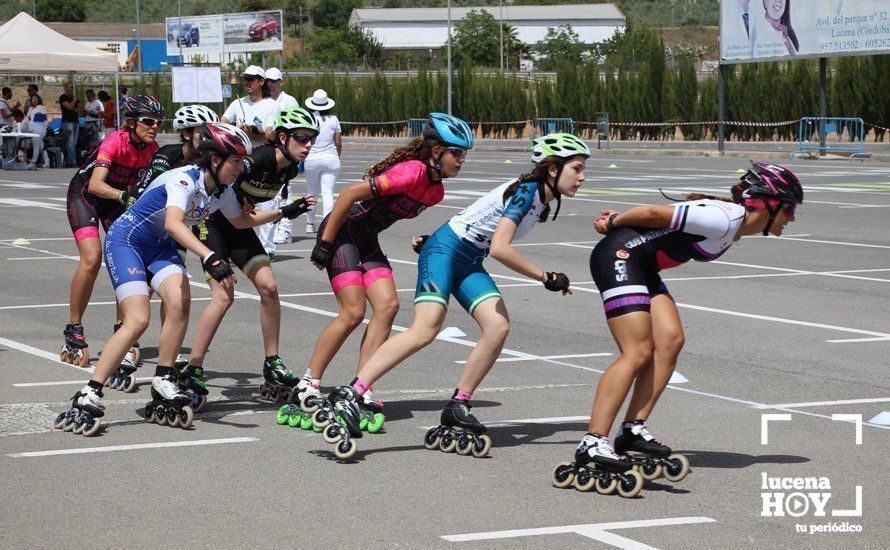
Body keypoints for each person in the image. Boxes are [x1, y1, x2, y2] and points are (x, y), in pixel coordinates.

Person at [317, 133, 585, 458]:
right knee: (424, 330)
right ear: (554, 169)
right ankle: (352, 393)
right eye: (577, 169)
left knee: (498, 327)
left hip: (467, 258)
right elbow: (500, 247)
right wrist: (546, 277)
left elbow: (480, 218)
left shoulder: (539, 196)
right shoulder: (527, 192)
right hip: (445, 253)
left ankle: (459, 403)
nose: (582, 177)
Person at [553, 161, 804, 495]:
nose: (793, 217)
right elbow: (657, 215)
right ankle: (593, 441)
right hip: (621, 257)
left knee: (671, 340)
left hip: (642, 267)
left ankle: (632, 429)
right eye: (789, 208)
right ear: (768, 203)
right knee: (637, 350)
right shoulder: (724, 217)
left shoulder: (734, 225)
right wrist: (614, 221)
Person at [52, 123, 280, 436]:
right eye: (237, 161)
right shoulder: (185, 178)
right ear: (214, 159)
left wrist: (282, 212)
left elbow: (241, 220)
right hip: (127, 241)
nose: (242, 168)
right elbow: (174, 224)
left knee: (180, 300)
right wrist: (210, 256)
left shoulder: (222, 190)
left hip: (159, 247)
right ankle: (90, 391)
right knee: (138, 320)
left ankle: (163, 376)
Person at [292, 112, 474, 436]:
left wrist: (428, 240)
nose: (461, 160)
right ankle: (309, 383)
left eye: (464, 154)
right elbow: (347, 196)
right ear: (436, 152)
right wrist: (325, 243)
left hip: (367, 240)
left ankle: (362, 388)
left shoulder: (436, 192)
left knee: (388, 307)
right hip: (342, 231)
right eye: (457, 153)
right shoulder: (410, 172)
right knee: (352, 311)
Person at [181, 107, 317, 407]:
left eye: (312, 139)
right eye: (302, 138)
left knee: (269, 288)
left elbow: (249, 214)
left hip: (239, 228)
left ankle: (272, 362)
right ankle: (194, 366)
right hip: (214, 224)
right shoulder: (260, 158)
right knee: (223, 296)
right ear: (282, 137)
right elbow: (216, 180)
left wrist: (285, 211)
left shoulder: (291, 168)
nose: (308, 144)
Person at [60, 95, 162, 367]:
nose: (154, 127)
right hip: (87, 196)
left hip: (116, 200)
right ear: (131, 122)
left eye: (158, 122)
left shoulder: (153, 150)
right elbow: (95, 185)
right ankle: (74, 327)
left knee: (131, 259)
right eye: (148, 121)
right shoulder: (114, 141)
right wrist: (126, 198)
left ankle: (122, 326)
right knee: (92, 258)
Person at [291, 88, 341, 239]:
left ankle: (309, 224)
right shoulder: (334, 119)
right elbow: (338, 142)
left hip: (312, 158)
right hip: (331, 158)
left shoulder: (308, 119)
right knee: (327, 192)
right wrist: (337, 157)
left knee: (312, 192)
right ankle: (327, 226)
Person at [221, 65, 276, 148]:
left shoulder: (273, 105)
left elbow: (270, 138)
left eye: (250, 79)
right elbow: (223, 122)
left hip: (263, 154)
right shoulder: (238, 102)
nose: (246, 83)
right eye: (245, 79)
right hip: (241, 154)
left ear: (261, 82)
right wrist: (237, 132)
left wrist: (251, 134)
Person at [59, 82, 81, 167]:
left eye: (72, 87)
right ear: (65, 88)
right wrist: (74, 101)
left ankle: (71, 160)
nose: (70, 89)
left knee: (74, 142)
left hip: (75, 121)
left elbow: (80, 108)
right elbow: (70, 107)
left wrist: (75, 107)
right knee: (70, 142)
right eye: (69, 87)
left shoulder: (73, 97)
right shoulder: (63, 97)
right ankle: (72, 162)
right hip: (67, 121)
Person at [24, 95, 47, 168]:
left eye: (36, 99)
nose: (34, 100)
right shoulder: (30, 108)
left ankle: (33, 162)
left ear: (38, 100)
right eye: (33, 99)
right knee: (41, 146)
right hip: (32, 129)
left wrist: (40, 115)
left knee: (36, 145)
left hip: (39, 129)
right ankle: (47, 162)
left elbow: (45, 117)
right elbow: (28, 118)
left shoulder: (41, 107)